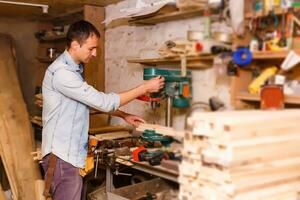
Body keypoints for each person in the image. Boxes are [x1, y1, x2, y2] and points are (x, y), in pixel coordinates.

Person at [41, 20, 164, 200]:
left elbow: (89, 102)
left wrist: (123, 115)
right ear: (75, 45)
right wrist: (144, 88)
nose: (95, 53)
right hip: (61, 158)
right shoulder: (62, 73)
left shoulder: (73, 70)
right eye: (91, 48)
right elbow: (104, 102)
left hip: (68, 156)